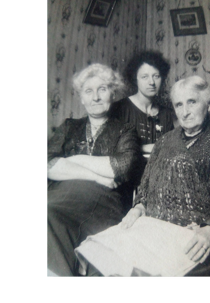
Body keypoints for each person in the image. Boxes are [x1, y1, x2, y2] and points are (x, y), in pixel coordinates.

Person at [120, 75, 210, 277]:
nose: (185, 112)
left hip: (194, 237)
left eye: (191, 102)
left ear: (209, 104)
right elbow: (145, 186)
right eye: (179, 105)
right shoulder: (164, 141)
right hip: (155, 231)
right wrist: (139, 207)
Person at [45, 63, 143, 277]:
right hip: (62, 196)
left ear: (113, 94)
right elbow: (47, 164)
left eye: (102, 89)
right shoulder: (69, 126)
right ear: (81, 97)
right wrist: (96, 176)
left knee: (49, 211)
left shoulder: (124, 130)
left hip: (104, 203)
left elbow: (121, 167)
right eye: (88, 91)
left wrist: (71, 161)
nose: (95, 97)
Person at [109, 50, 174, 159]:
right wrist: (148, 148)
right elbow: (113, 149)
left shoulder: (166, 114)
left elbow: (171, 148)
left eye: (156, 76)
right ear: (135, 79)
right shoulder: (119, 108)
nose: (152, 82)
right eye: (145, 77)